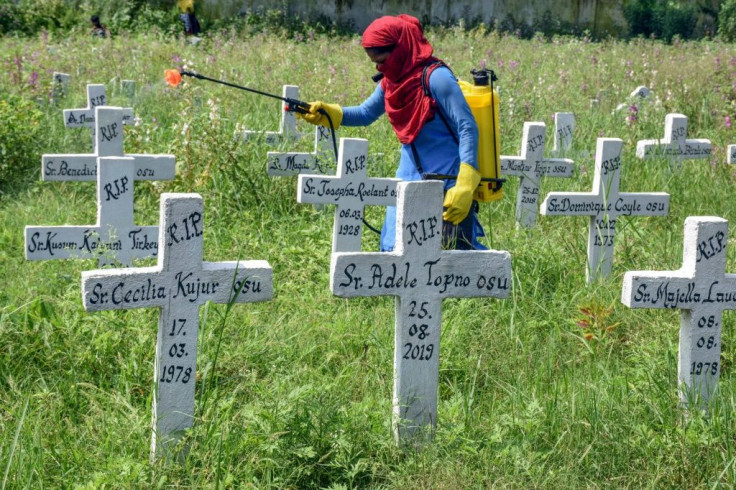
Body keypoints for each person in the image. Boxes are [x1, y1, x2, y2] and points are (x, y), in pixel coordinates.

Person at [297, 14, 485, 251]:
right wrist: (329, 113)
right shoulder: (392, 80)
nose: (379, 68)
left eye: (382, 60)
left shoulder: (437, 77)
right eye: (374, 63)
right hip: (409, 178)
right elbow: (366, 112)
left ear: (400, 49)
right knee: (395, 250)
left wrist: (466, 183)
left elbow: (467, 126)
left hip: (447, 181)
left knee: (451, 259)